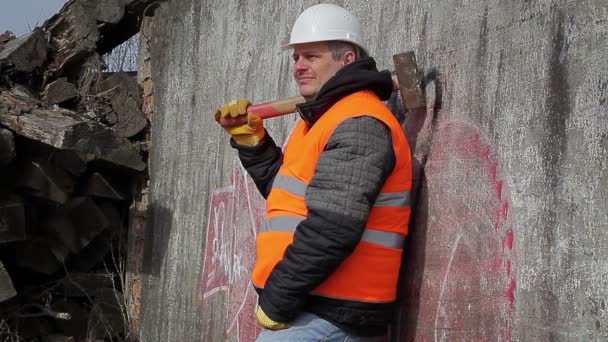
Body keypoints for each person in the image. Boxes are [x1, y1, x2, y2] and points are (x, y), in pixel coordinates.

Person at [215, 4, 412, 341]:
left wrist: (278, 300)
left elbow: (333, 225)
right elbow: (289, 199)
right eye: (296, 58)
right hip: (312, 307)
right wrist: (254, 144)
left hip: (330, 314)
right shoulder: (320, 121)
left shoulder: (359, 122)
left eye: (312, 56)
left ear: (347, 59)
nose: (299, 66)